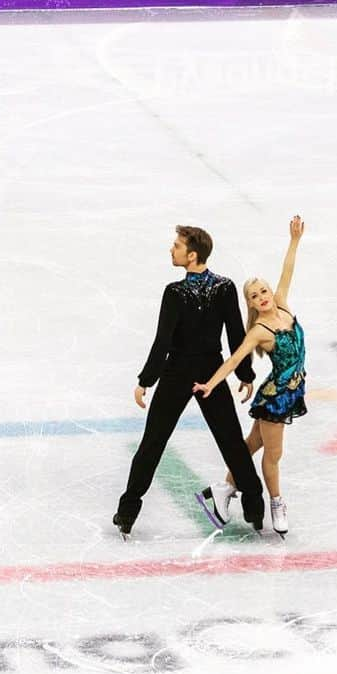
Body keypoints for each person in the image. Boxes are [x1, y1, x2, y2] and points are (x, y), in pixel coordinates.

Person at [113, 226, 266, 538]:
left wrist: (146, 380)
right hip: (210, 370)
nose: (172, 250)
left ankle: (127, 512)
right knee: (230, 440)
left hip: (178, 373)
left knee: (153, 442)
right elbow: (236, 337)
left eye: (177, 246)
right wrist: (244, 375)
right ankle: (254, 506)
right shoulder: (224, 288)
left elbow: (163, 342)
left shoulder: (175, 293)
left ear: (192, 254)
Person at [194, 215, 306, 537]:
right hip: (276, 398)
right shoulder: (259, 330)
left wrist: (294, 241)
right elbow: (234, 360)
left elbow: (288, 271)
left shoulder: (283, 307)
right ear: (251, 305)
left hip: (291, 391)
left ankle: (223, 488)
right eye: (255, 296)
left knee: (251, 445)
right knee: (273, 455)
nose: (263, 296)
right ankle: (277, 503)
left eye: (264, 290)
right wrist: (211, 384)